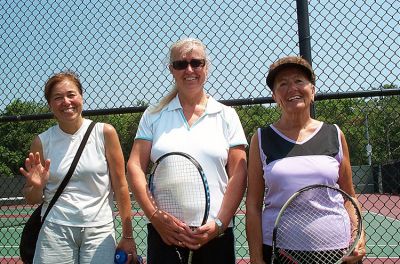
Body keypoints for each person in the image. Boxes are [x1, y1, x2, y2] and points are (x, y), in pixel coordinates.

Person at [126, 38, 248, 264]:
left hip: (215, 232)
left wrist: (219, 224)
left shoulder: (227, 115)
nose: (189, 70)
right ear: (171, 69)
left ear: (206, 67)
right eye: (181, 64)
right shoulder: (153, 115)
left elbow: (238, 174)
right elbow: (134, 166)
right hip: (165, 233)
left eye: (196, 63)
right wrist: (155, 216)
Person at [245, 56, 366, 264]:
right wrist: (256, 258)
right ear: (275, 96)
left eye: (299, 81)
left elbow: (349, 197)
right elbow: (253, 205)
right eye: (282, 84)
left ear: (313, 90)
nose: (292, 88)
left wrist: (359, 237)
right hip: (280, 252)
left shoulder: (334, 134)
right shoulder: (261, 138)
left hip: (338, 250)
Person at [20, 71, 139, 264]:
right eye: (57, 98)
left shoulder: (105, 133)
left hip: (99, 229)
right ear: (50, 105)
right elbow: (32, 198)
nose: (66, 102)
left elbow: (121, 186)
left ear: (81, 97)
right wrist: (37, 186)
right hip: (55, 229)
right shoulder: (41, 142)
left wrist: (127, 236)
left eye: (71, 94)